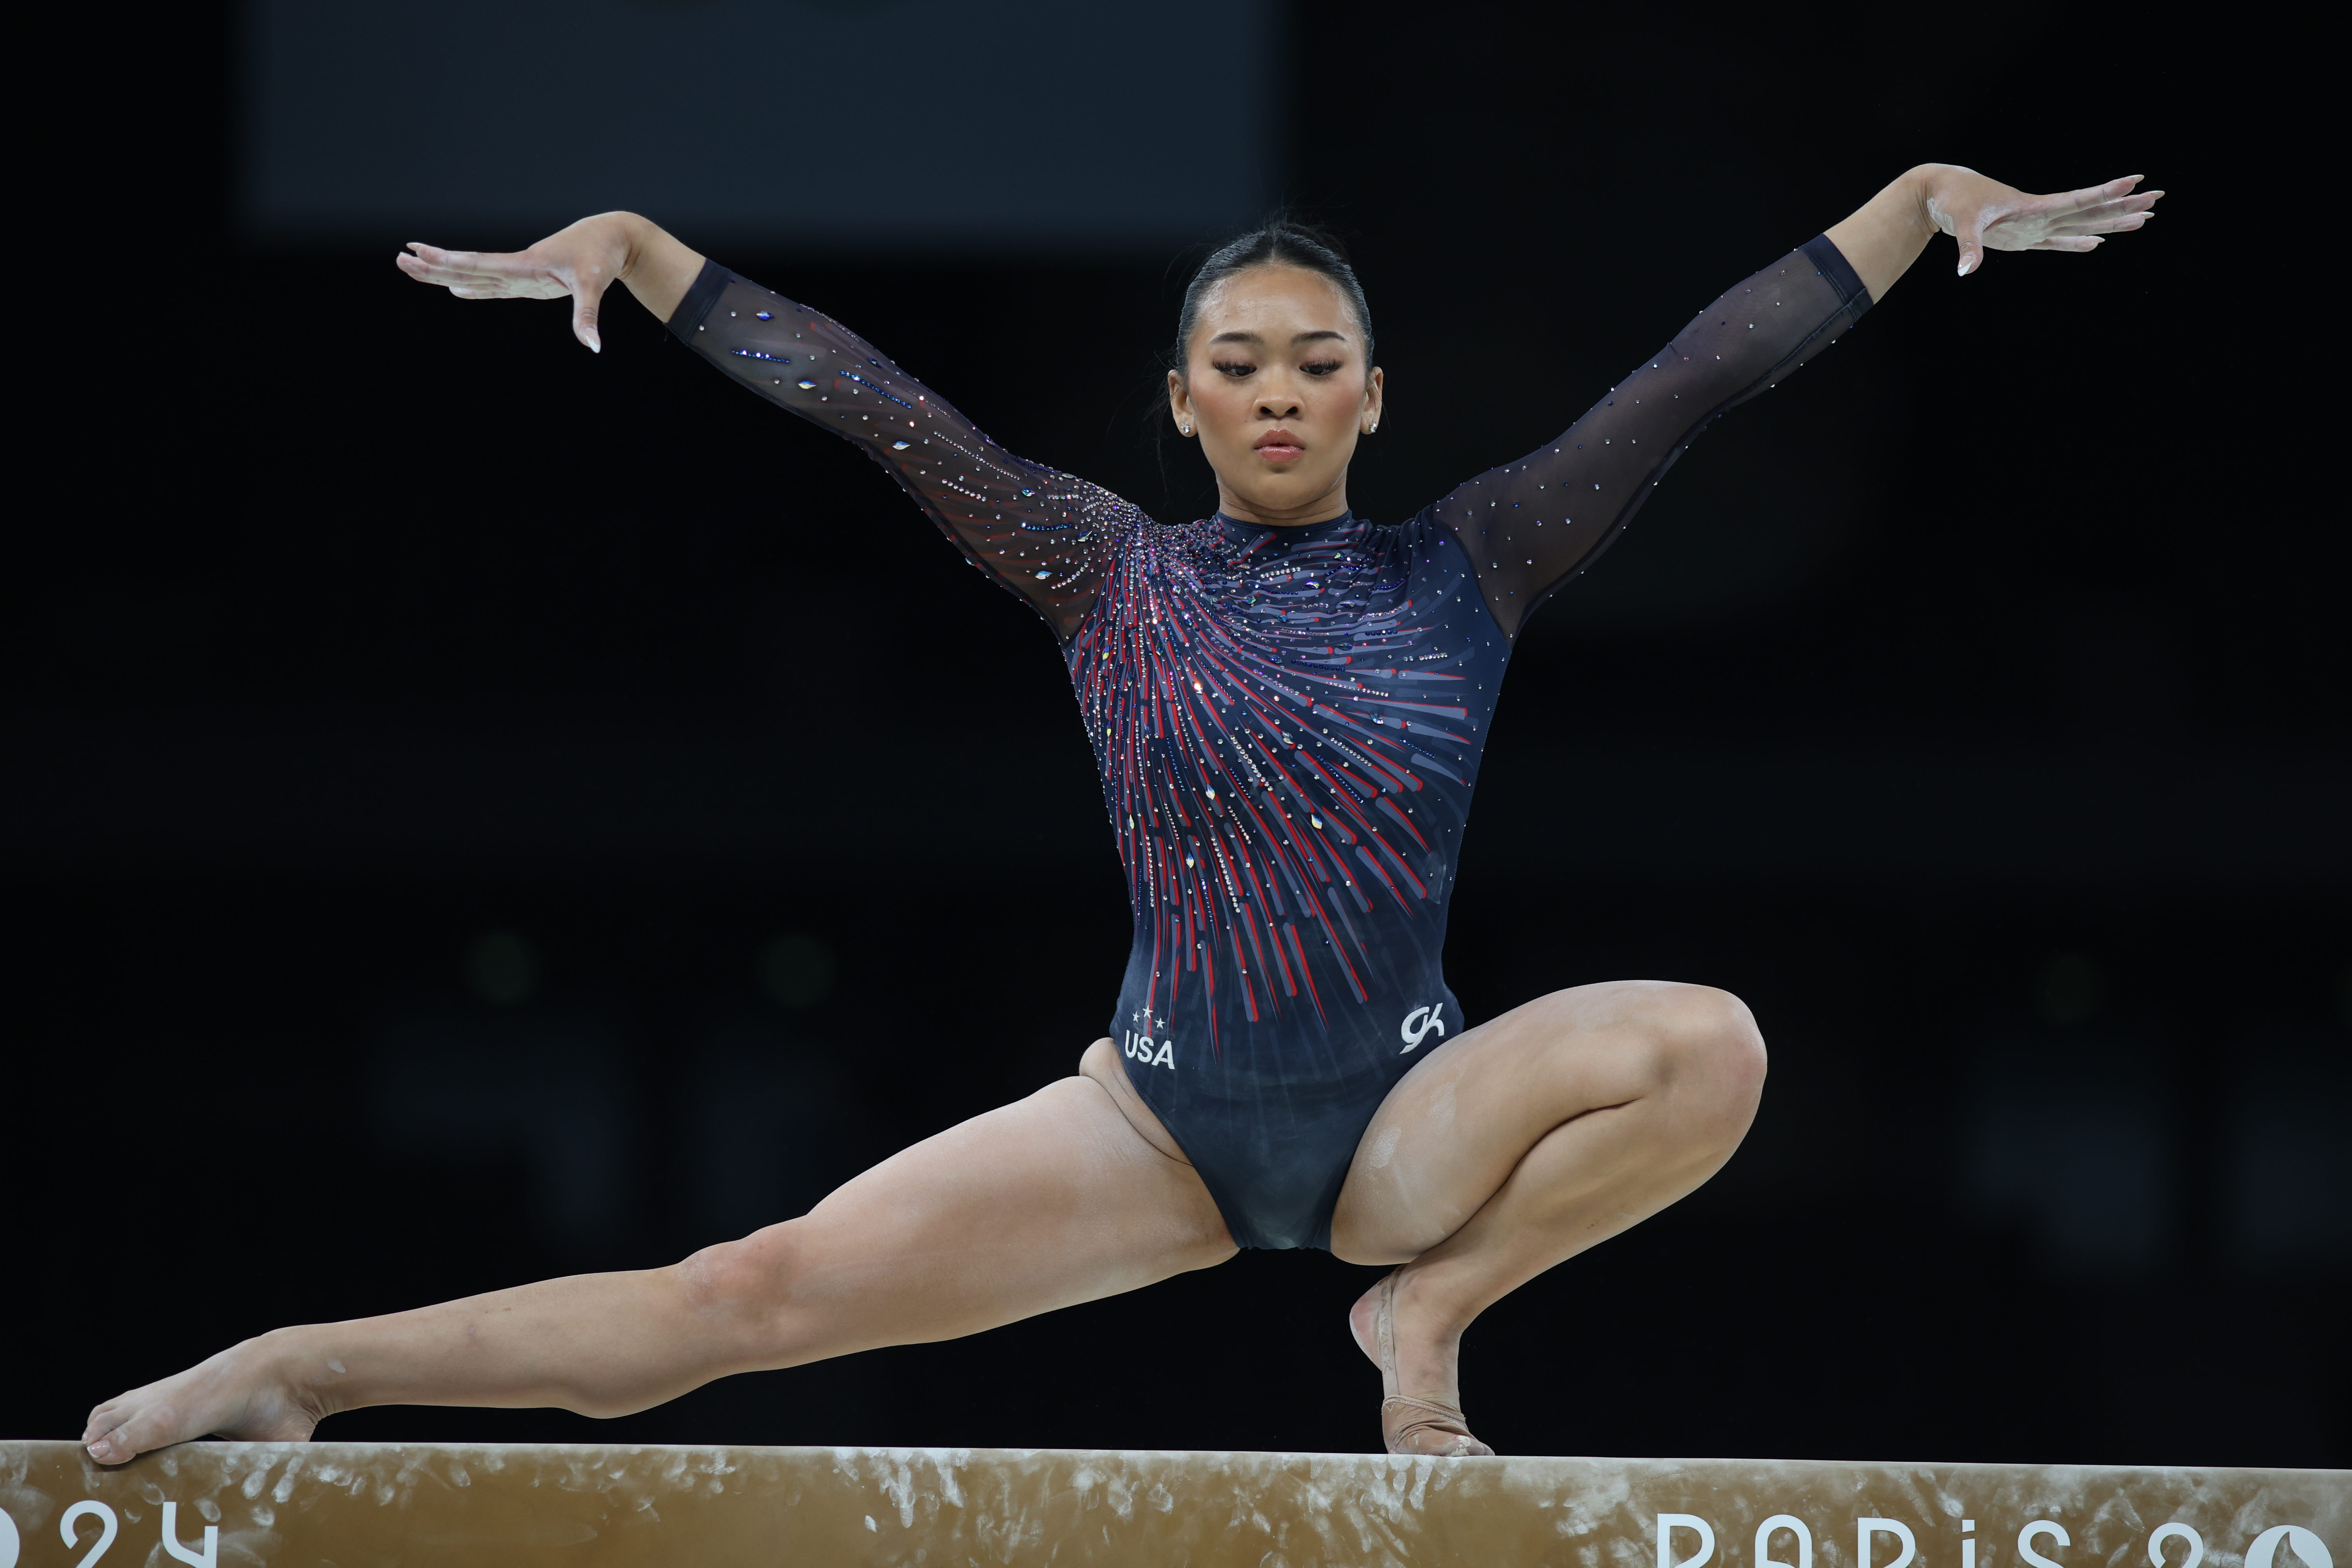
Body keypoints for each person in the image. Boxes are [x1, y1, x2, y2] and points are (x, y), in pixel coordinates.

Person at [83, 164, 2157, 1463]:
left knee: (1711, 1044)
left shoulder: (1478, 561)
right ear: (1177, 404)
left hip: (1405, 1132)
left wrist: (1907, 209)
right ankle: (300, 1364)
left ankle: (1422, 1313)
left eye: (1313, 359)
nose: (1273, 387)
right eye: (1233, 361)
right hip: (1153, 1122)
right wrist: (648, 253)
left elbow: (1693, 385)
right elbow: (880, 409)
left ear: (1369, 397)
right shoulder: (1102, 566)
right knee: (733, 1309)